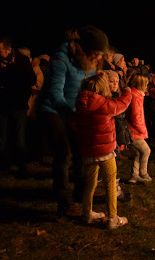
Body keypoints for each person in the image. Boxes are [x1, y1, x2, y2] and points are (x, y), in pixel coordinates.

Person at [36, 25, 108, 218]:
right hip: (52, 109)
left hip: (74, 111)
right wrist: (71, 116)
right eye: (97, 53)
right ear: (84, 49)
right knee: (64, 151)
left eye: (102, 54)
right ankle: (64, 202)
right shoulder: (61, 60)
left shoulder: (92, 63)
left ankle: (82, 192)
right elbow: (54, 93)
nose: (100, 58)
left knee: (82, 151)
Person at [75, 73, 132, 229]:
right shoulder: (102, 103)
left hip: (88, 151)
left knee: (90, 182)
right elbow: (121, 104)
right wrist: (127, 91)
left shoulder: (80, 102)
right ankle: (113, 218)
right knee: (110, 182)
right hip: (105, 152)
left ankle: (87, 214)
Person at [0, 36, 36, 176]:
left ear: (8, 50)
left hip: (18, 105)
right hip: (0, 105)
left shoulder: (21, 60)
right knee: (1, 138)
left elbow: (31, 79)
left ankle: (22, 165)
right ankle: (5, 166)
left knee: (19, 138)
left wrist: (10, 70)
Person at [107, 70, 132, 202]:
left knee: (113, 164)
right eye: (112, 81)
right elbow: (118, 109)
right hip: (109, 136)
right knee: (111, 167)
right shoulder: (108, 98)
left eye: (117, 81)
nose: (115, 84)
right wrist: (127, 94)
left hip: (115, 135)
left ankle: (113, 190)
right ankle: (113, 192)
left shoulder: (116, 95)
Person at [125, 73, 152, 183]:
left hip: (132, 130)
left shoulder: (136, 95)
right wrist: (142, 129)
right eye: (145, 84)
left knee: (138, 152)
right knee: (146, 150)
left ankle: (134, 175)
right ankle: (143, 172)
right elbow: (136, 116)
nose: (147, 86)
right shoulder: (136, 97)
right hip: (134, 131)